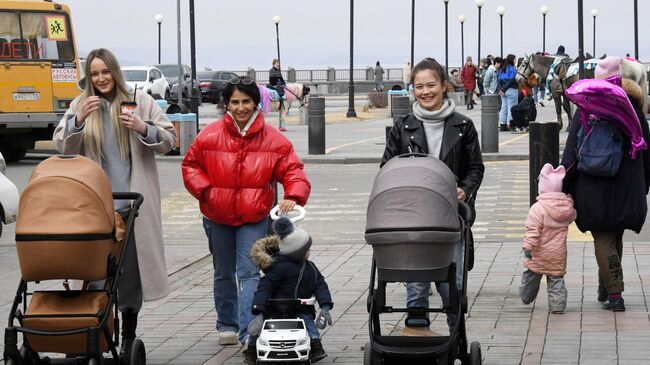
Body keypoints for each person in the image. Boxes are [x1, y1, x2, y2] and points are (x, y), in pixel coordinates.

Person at [52, 48, 177, 359]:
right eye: (94, 74)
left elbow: (170, 139)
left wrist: (142, 127)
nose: (100, 78)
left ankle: (128, 337)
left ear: (115, 72)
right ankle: (95, 336)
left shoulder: (140, 100)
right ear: (88, 78)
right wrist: (78, 120)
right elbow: (60, 144)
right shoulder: (82, 104)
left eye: (105, 72)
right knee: (95, 276)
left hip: (134, 207)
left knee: (131, 277)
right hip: (96, 208)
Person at [181, 76, 311, 353]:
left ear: (256, 103)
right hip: (216, 216)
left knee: (249, 272)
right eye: (234, 102)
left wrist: (293, 195)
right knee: (223, 273)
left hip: (254, 217)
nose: (240, 108)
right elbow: (191, 165)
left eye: (246, 102)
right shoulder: (210, 134)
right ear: (226, 104)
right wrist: (207, 192)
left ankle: (249, 331)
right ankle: (225, 325)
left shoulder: (274, 139)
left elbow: (293, 170)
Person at [382, 57, 484, 331]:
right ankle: (417, 333)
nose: (425, 92)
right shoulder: (402, 126)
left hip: (451, 216)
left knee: (453, 282)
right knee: (416, 282)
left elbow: (475, 167)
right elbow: (387, 168)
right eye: (418, 87)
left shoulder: (463, 126)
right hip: (413, 218)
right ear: (412, 89)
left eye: (431, 85)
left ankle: (455, 334)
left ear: (443, 86)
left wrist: (465, 190)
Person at [561, 57, 650, 312]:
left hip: (592, 186)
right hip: (626, 185)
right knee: (615, 234)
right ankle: (606, 286)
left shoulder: (588, 106)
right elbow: (647, 149)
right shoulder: (631, 104)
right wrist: (645, 183)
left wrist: (562, 184)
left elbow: (571, 152)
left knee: (603, 237)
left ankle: (615, 294)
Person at [247, 216, 333, 364]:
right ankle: (252, 348)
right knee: (262, 326)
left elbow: (320, 285)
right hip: (275, 307)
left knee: (308, 323)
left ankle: (315, 345)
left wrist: (325, 305)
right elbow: (265, 287)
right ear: (298, 252)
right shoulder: (278, 267)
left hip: (299, 306)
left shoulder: (310, 268)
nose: (309, 251)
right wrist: (259, 309)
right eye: (307, 249)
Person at [520, 163, 576, 313]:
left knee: (531, 275)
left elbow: (532, 231)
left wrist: (528, 248)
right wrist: (569, 201)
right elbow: (573, 217)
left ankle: (526, 296)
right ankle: (557, 306)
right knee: (556, 279)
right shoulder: (566, 208)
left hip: (538, 253)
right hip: (558, 253)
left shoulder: (538, 208)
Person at [497, 54, 519, 131]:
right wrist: (504, 89)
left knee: (503, 108)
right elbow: (511, 80)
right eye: (515, 59)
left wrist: (500, 90)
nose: (515, 61)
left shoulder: (502, 69)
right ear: (512, 60)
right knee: (511, 108)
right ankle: (511, 124)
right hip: (511, 90)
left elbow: (498, 81)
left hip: (503, 92)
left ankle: (502, 125)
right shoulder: (513, 69)